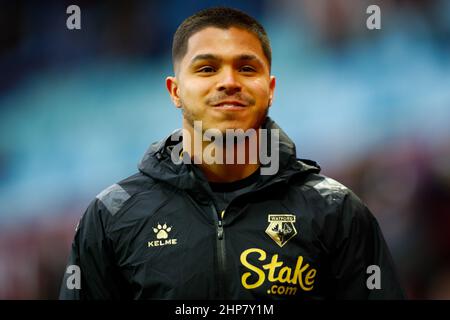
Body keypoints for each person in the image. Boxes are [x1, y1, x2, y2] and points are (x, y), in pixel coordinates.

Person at [59, 7, 405, 300]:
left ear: (270, 90)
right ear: (175, 91)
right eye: (207, 68)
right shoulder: (111, 217)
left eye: (247, 68)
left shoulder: (336, 211)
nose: (229, 81)